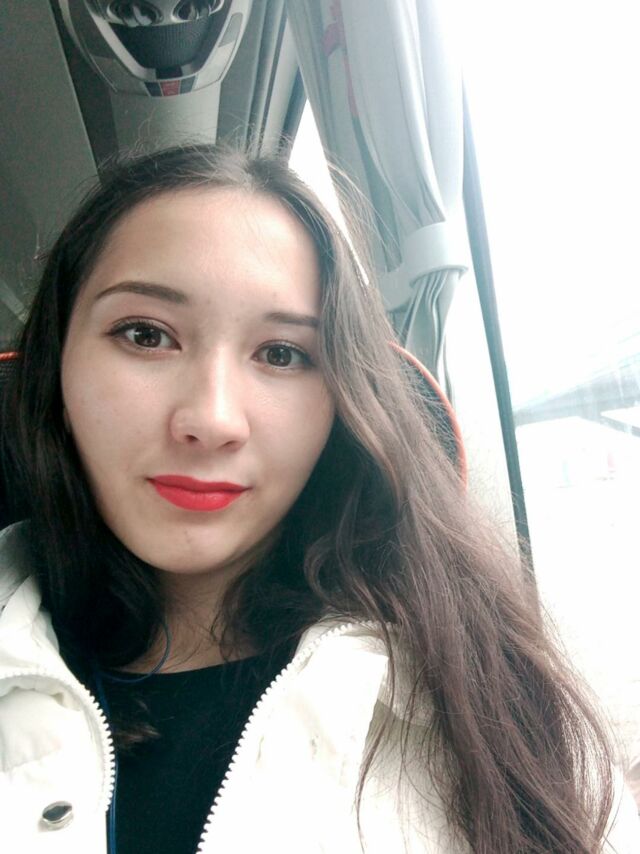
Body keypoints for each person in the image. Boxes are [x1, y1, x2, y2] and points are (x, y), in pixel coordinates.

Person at [0, 144, 637, 854]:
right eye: (146, 335)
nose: (212, 419)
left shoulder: (490, 694)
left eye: (282, 354)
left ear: (342, 404)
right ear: (56, 366)